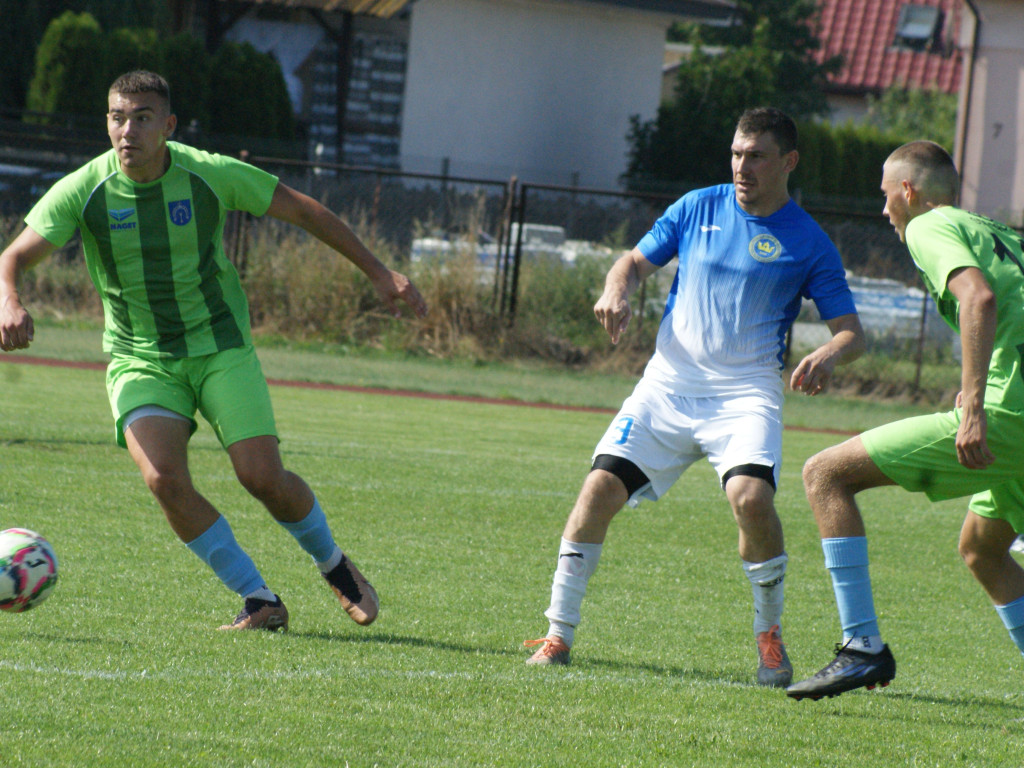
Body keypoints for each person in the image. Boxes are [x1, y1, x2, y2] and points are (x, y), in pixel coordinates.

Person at [0, 71, 428, 631]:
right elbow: (12, 258)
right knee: (163, 479)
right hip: (141, 357)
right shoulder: (85, 188)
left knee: (261, 477)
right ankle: (259, 599)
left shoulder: (208, 173)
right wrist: (9, 299)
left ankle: (334, 564)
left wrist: (378, 272)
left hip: (220, 346)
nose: (128, 131)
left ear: (169, 125)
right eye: (118, 118)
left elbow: (303, 210)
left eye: (143, 118)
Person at [523, 107, 866, 687]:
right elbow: (633, 262)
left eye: (756, 156)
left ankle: (769, 637)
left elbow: (852, 332)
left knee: (752, 499)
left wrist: (829, 353)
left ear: (788, 161)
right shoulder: (697, 207)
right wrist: (616, 289)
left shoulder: (809, 241)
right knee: (597, 490)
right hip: (667, 387)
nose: (742, 167)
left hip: (745, 395)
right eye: (736, 154)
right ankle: (558, 634)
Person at [787, 140, 1024, 700]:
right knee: (982, 547)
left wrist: (973, 405)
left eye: (886, 194)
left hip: (1010, 414)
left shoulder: (928, 225)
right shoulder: (998, 233)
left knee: (825, 474)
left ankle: (860, 647)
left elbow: (979, 300)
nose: (885, 209)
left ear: (909, 191)